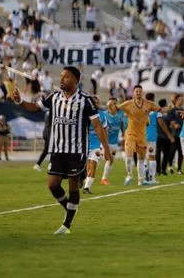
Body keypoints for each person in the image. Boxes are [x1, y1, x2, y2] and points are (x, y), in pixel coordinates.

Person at [12, 66, 113, 234]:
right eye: (61, 76)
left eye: (66, 77)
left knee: (73, 186)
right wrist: (20, 101)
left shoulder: (85, 100)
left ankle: (66, 225)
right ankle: (70, 207)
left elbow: (97, 125)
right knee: (52, 185)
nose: (62, 79)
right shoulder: (54, 97)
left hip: (77, 150)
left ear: (76, 80)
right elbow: (35, 108)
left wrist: (107, 150)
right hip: (58, 150)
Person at [115, 85, 170, 186]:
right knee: (129, 156)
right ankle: (130, 175)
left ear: (142, 92)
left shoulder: (148, 104)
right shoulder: (128, 104)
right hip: (131, 134)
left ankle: (141, 180)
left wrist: (171, 107)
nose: (138, 93)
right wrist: (113, 103)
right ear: (133, 93)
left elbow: (161, 110)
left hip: (142, 136)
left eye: (140, 91)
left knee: (141, 159)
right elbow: (116, 108)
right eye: (136, 91)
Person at [144, 93, 172, 183]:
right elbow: (161, 123)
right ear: (153, 99)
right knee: (152, 157)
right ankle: (151, 178)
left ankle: (143, 174)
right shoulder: (156, 109)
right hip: (152, 137)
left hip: (141, 136)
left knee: (143, 157)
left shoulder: (141, 109)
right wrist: (168, 134)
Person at [83, 96, 108, 194]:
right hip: (83, 145)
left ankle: (87, 188)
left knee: (93, 164)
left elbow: (105, 131)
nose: (96, 104)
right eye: (94, 102)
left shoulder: (102, 115)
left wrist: (106, 147)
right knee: (83, 167)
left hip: (96, 145)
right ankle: (82, 179)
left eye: (97, 102)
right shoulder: (83, 114)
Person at [100, 98, 125, 185]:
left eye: (115, 103)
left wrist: (123, 132)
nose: (113, 105)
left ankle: (104, 178)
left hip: (114, 141)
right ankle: (87, 175)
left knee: (110, 160)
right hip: (103, 141)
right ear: (108, 105)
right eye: (111, 103)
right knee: (99, 158)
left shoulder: (120, 114)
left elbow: (121, 122)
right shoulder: (104, 114)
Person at [155, 99, 175, 175]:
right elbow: (172, 124)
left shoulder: (156, 112)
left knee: (157, 153)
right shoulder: (169, 112)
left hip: (157, 135)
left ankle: (157, 170)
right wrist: (171, 135)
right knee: (167, 154)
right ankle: (163, 169)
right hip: (166, 136)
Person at [166, 94, 184, 174]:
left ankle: (179, 169)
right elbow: (170, 122)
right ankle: (170, 165)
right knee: (173, 151)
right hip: (174, 134)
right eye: (181, 99)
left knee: (181, 152)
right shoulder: (172, 111)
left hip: (183, 134)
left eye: (183, 99)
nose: (182, 101)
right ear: (176, 101)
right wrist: (174, 125)